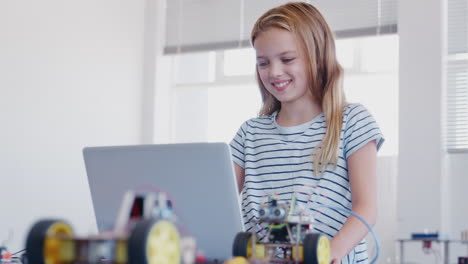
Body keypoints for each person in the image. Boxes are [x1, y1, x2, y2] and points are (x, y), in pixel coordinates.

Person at [229, 2, 384, 264]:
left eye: (287, 59)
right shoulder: (250, 134)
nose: (274, 72)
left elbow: (366, 207)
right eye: (263, 62)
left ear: (317, 56)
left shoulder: (351, 121)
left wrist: (332, 251)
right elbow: (218, 198)